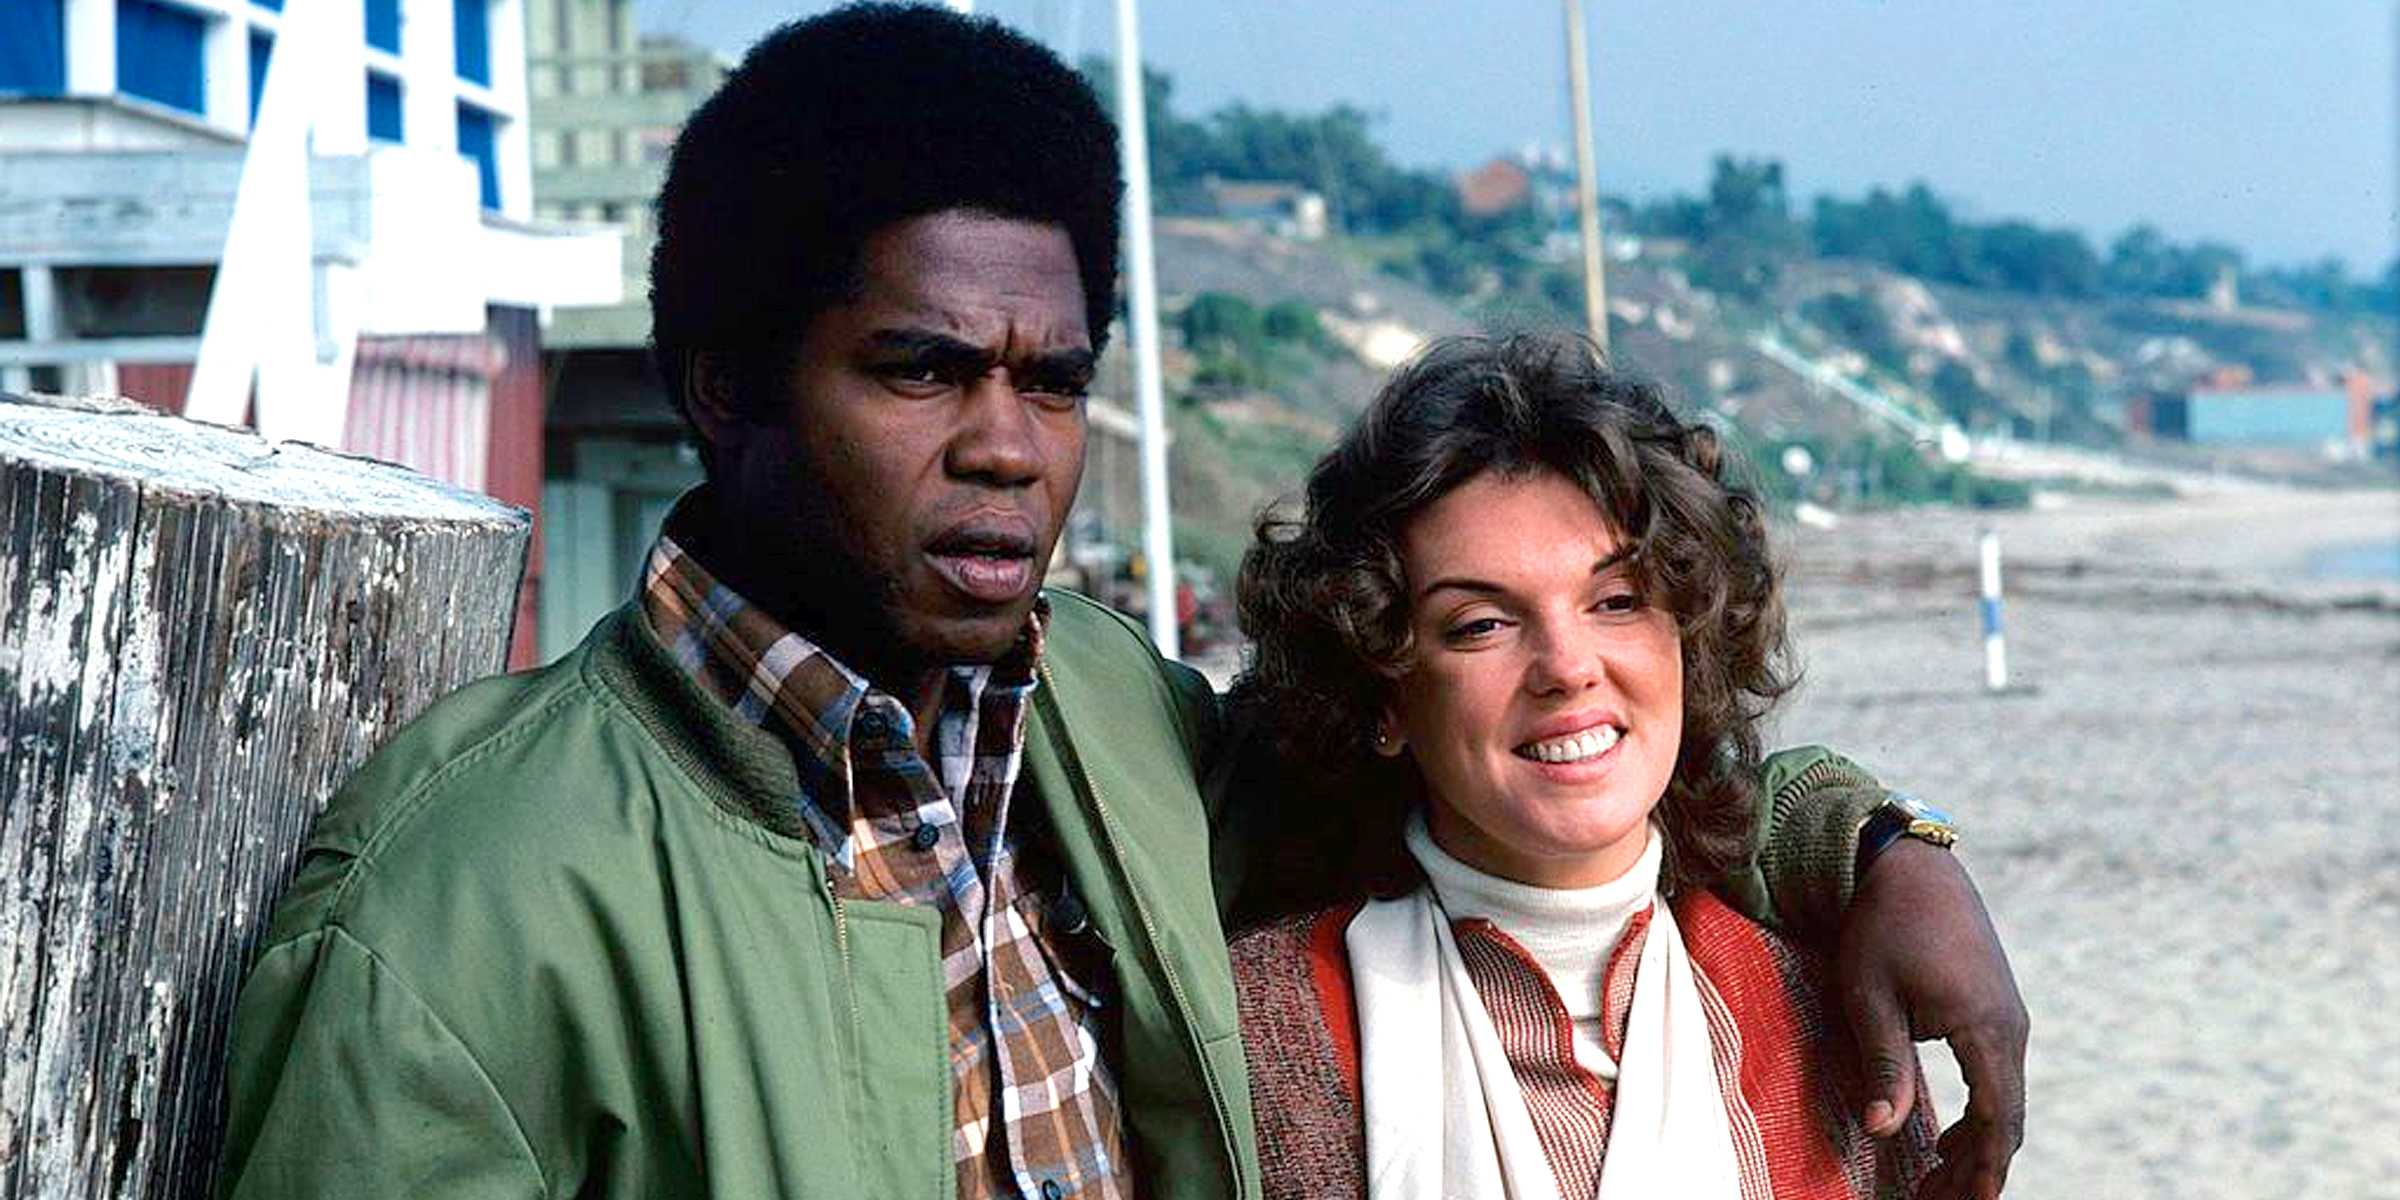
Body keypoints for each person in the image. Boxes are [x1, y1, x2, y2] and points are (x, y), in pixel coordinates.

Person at [215, 6, 2023, 1198]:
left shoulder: (1104, 721)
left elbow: (1512, 764)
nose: (1011, 448)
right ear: (727, 386)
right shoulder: (456, 901)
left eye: (1056, 381)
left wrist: (1881, 845)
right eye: (922, 372)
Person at [1230, 333, 1959, 1199]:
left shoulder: (1826, 1019)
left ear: (1689, 637)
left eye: (1617, 601)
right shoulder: (1255, 1034)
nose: (1568, 666)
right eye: (1480, 624)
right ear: (1382, 696)